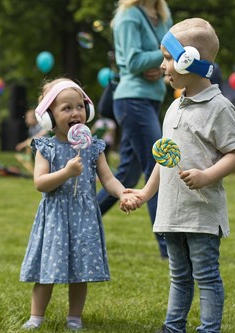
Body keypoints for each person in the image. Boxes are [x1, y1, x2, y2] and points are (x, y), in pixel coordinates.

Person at [121, 18, 235, 333]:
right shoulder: (173, 108)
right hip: (172, 211)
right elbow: (165, 160)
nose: (162, 65)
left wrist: (206, 176)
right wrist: (146, 193)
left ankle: (208, 329)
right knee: (178, 275)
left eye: (167, 57)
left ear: (189, 58)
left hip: (201, 214)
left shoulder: (219, 108)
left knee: (206, 275)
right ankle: (173, 327)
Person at [19, 78, 137, 331]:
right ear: (49, 116)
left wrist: (122, 193)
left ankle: (75, 318)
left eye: (80, 107)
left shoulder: (93, 147)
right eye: (66, 108)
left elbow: (108, 178)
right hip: (56, 217)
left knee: (81, 269)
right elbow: (40, 183)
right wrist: (66, 172)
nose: (76, 113)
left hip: (84, 216)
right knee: (46, 270)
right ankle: (36, 317)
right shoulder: (46, 147)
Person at [96, 0, 173, 259]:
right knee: (157, 167)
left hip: (151, 98)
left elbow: (175, 51)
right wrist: (163, 57)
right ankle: (168, 249)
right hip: (132, 100)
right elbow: (132, 60)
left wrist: (163, 64)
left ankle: (80, 220)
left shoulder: (163, 13)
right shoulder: (128, 16)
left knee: (127, 178)